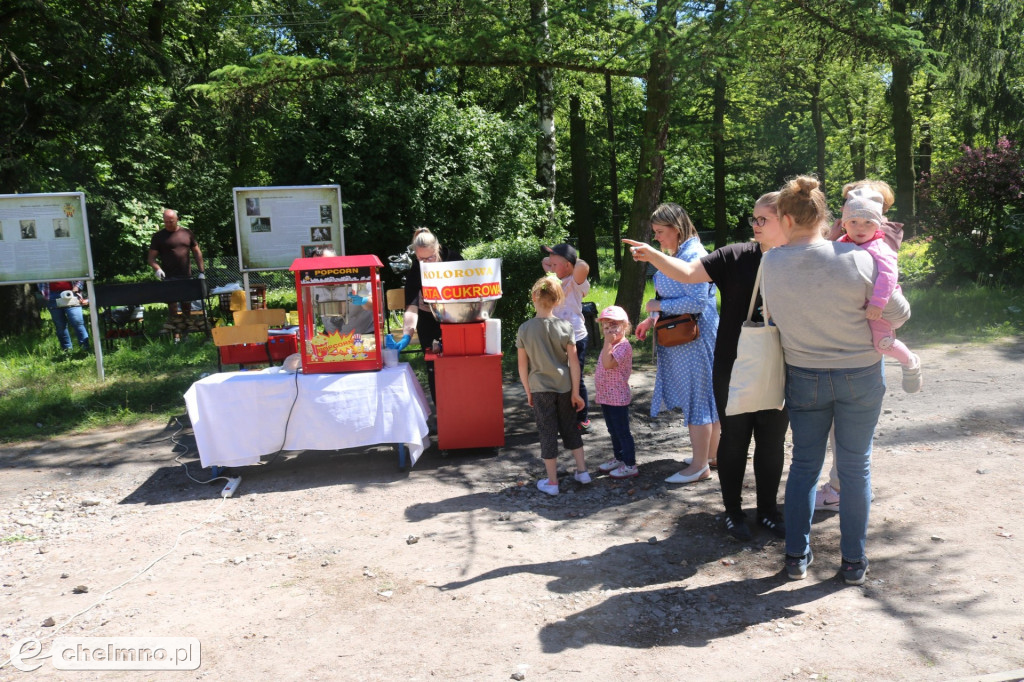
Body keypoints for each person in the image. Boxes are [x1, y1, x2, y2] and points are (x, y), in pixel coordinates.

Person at [625, 192, 788, 540]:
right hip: (733, 359)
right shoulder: (735, 255)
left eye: (763, 220)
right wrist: (653, 255)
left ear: (787, 221)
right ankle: (733, 513)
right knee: (734, 440)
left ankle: (768, 511)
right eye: (753, 220)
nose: (756, 226)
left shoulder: (800, 258)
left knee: (772, 441)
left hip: (780, 359)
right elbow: (687, 275)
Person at [762, 175, 884, 586]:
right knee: (855, 469)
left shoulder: (771, 262)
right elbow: (897, 312)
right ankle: (853, 563)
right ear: (826, 216)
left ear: (784, 217)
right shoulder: (857, 259)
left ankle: (796, 557)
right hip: (861, 373)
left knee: (804, 467)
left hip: (804, 374)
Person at [816, 180, 914, 513]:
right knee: (850, 432)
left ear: (880, 215)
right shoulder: (842, 235)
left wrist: (878, 301)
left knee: (849, 432)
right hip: (846, 341)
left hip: (859, 347)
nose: (859, 225)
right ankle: (846, 487)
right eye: (851, 215)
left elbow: (898, 309)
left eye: (867, 218)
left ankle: (844, 489)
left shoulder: (880, 243)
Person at [632, 203, 720, 485]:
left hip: (693, 339)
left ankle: (698, 466)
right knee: (706, 398)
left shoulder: (694, 255)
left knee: (698, 399)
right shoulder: (683, 253)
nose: (656, 237)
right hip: (687, 335)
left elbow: (697, 302)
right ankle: (711, 455)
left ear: (677, 229)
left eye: (660, 232)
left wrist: (659, 304)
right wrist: (653, 318)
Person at [516, 276, 589, 496]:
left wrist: (528, 391)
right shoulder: (565, 327)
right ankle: (583, 471)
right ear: (558, 300)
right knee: (570, 427)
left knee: (547, 432)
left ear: (533, 298)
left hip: (540, 389)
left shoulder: (525, 329)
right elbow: (574, 364)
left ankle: (552, 482)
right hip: (565, 387)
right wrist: (576, 392)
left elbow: (522, 366)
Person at [395, 227, 461, 402]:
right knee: (434, 367)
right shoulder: (416, 271)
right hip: (428, 321)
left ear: (437, 248)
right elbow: (411, 307)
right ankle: (442, 410)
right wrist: (406, 335)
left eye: (430, 257)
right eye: (421, 259)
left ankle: (461, 406)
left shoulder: (454, 259)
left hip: (456, 319)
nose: (427, 263)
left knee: (458, 365)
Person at [541, 243, 592, 431]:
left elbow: (583, 266)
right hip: (557, 338)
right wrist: (555, 258)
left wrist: (569, 258)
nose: (551, 268)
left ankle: (583, 419)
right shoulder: (556, 279)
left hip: (576, 337)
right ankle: (565, 415)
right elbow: (544, 261)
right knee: (560, 378)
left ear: (569, 265)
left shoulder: (576, 282)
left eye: (556, 265)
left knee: (575, 379)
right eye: (552, 265)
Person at [593, 306, 638, 479]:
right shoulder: (612, 345)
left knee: (622, 431)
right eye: (606, 326)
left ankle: (630, 464)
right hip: (606, 395)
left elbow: (608, 364)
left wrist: (606, 343)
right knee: (612, 430)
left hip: (617, 397)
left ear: (625, 326)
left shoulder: (622, 346)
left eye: (614, 326)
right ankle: (619, 458)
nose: (609, 330)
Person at [147, 208, 205, 317]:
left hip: (186, 275)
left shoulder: (187, 233)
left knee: (186, 304)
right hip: (169, 276)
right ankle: (176, 332)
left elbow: (197, 252)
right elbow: (151, 259)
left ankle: (186, 329)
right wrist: (157, 269)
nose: (168, 224)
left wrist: (201, 271)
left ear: (177, 219)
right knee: (172, 306)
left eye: (171, 221)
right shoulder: (158, 237)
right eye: (166, 222)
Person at [41, 281, 90, 355]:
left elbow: (81, 275)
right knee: (60, 325)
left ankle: (85, 350)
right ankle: (67, 351)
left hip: (72, 293)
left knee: (77, 322)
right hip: (52, 294)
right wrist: (44, 292)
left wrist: (77, 287)